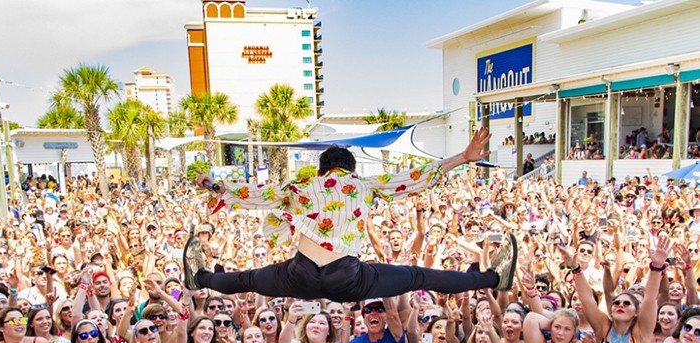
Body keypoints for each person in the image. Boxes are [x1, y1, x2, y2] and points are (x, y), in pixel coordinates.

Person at [188, 127, 517, 302]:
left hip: (300, 275)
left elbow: (253, 194)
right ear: (350, 168)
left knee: (248, 280)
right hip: (346, 277)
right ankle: (492, 278)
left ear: (321, 169)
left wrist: (214, 185)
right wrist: (462, 157)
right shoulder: (361, 184)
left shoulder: (301, 187)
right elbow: (415, 177)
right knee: (419, 277)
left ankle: (200, 278)